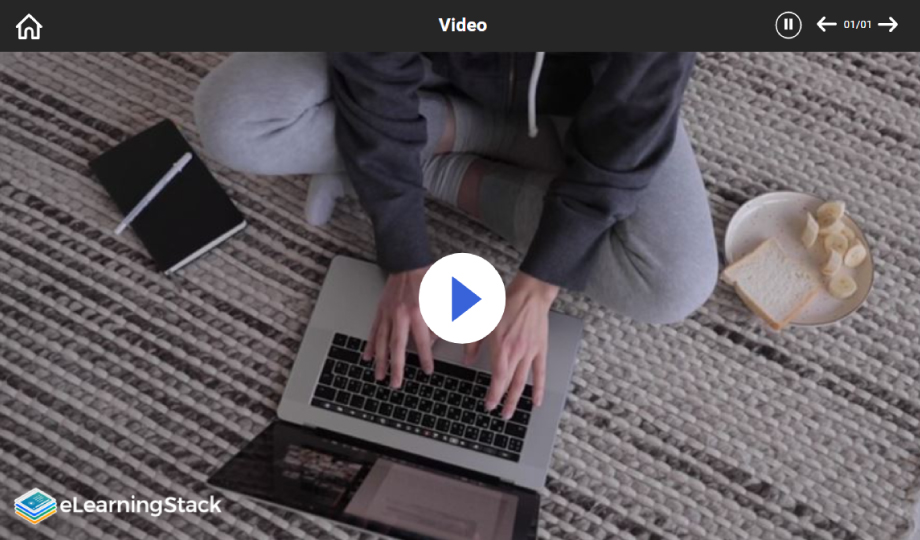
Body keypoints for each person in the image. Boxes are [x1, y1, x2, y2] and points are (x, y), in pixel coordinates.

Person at [194, 52, 718, 419]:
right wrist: (403, 251)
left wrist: (539, 285)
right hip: (427, 64)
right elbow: (372, 68)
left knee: (672, 283)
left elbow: (628, 128)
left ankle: (434, 148)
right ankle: (455, 143)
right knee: (231, 118)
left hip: (582, 98)